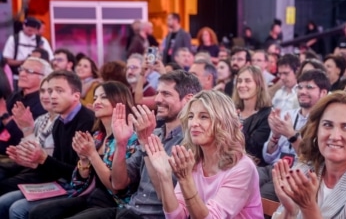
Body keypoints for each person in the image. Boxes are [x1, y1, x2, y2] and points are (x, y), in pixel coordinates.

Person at [64, 70, 202, 218]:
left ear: (188, 100)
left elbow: (164, 197)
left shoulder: (192, 142)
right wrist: (121, 144)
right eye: (158, 92)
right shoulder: (154, 133)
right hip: (128, 209)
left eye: (166, 94)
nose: (157, 99)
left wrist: (145, 144)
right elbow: (118, 184)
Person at [146, 90, 263, 218]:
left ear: (223, 123)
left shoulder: (242, 168)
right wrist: (165, 177)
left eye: (203, 116)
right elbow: (176, 216)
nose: (193, 124)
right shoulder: (194, 162)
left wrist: (185, 180)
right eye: (191, 116)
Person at [28, 81, 138, 219]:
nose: (97, 101)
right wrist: (83, 159)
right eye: (95, 97)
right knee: (38, 212)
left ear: (120, 100)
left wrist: (92, 154)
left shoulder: (131, 138)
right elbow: (79, 183)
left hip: (117, 203)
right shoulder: (98, 136)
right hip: (92, 195)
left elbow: (117, 188)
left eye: (103, 97)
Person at [272, 91, 346, 218]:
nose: (334, 136)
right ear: (317, 130)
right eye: (328, 125)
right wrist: (289, 211)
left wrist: (308, 208)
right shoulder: (303, 170)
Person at [0, 70, 95, 218]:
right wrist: (32, 162)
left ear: (76, 96)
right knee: (4, 202)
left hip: (81, 189)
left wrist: (42, 159)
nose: (52, 96)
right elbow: (56, 167)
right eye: (49, 91)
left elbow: (81, 176)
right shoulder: (59, 122)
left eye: (59, 91)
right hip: (59, 182)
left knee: (17, 208)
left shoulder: (87, 121)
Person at [260, 69, 330, 202]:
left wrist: (291, 135)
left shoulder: (325, 122)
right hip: (273, 168)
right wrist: (275, 136)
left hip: (297, 174)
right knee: (245, 178)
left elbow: (312, 159)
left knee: (262, 194)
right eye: (300, 87)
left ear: (323, 93)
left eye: (309, 87)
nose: (302, 91)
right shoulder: (288, 115)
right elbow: (267, 157)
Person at [233, 65, 271, 165]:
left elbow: (254, 150)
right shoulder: (231, 110)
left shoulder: (267, 115)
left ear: (259, 85)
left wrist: (238, 125)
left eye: (247, 81)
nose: (242, 85)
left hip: (252, 166)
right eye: (239, 81)